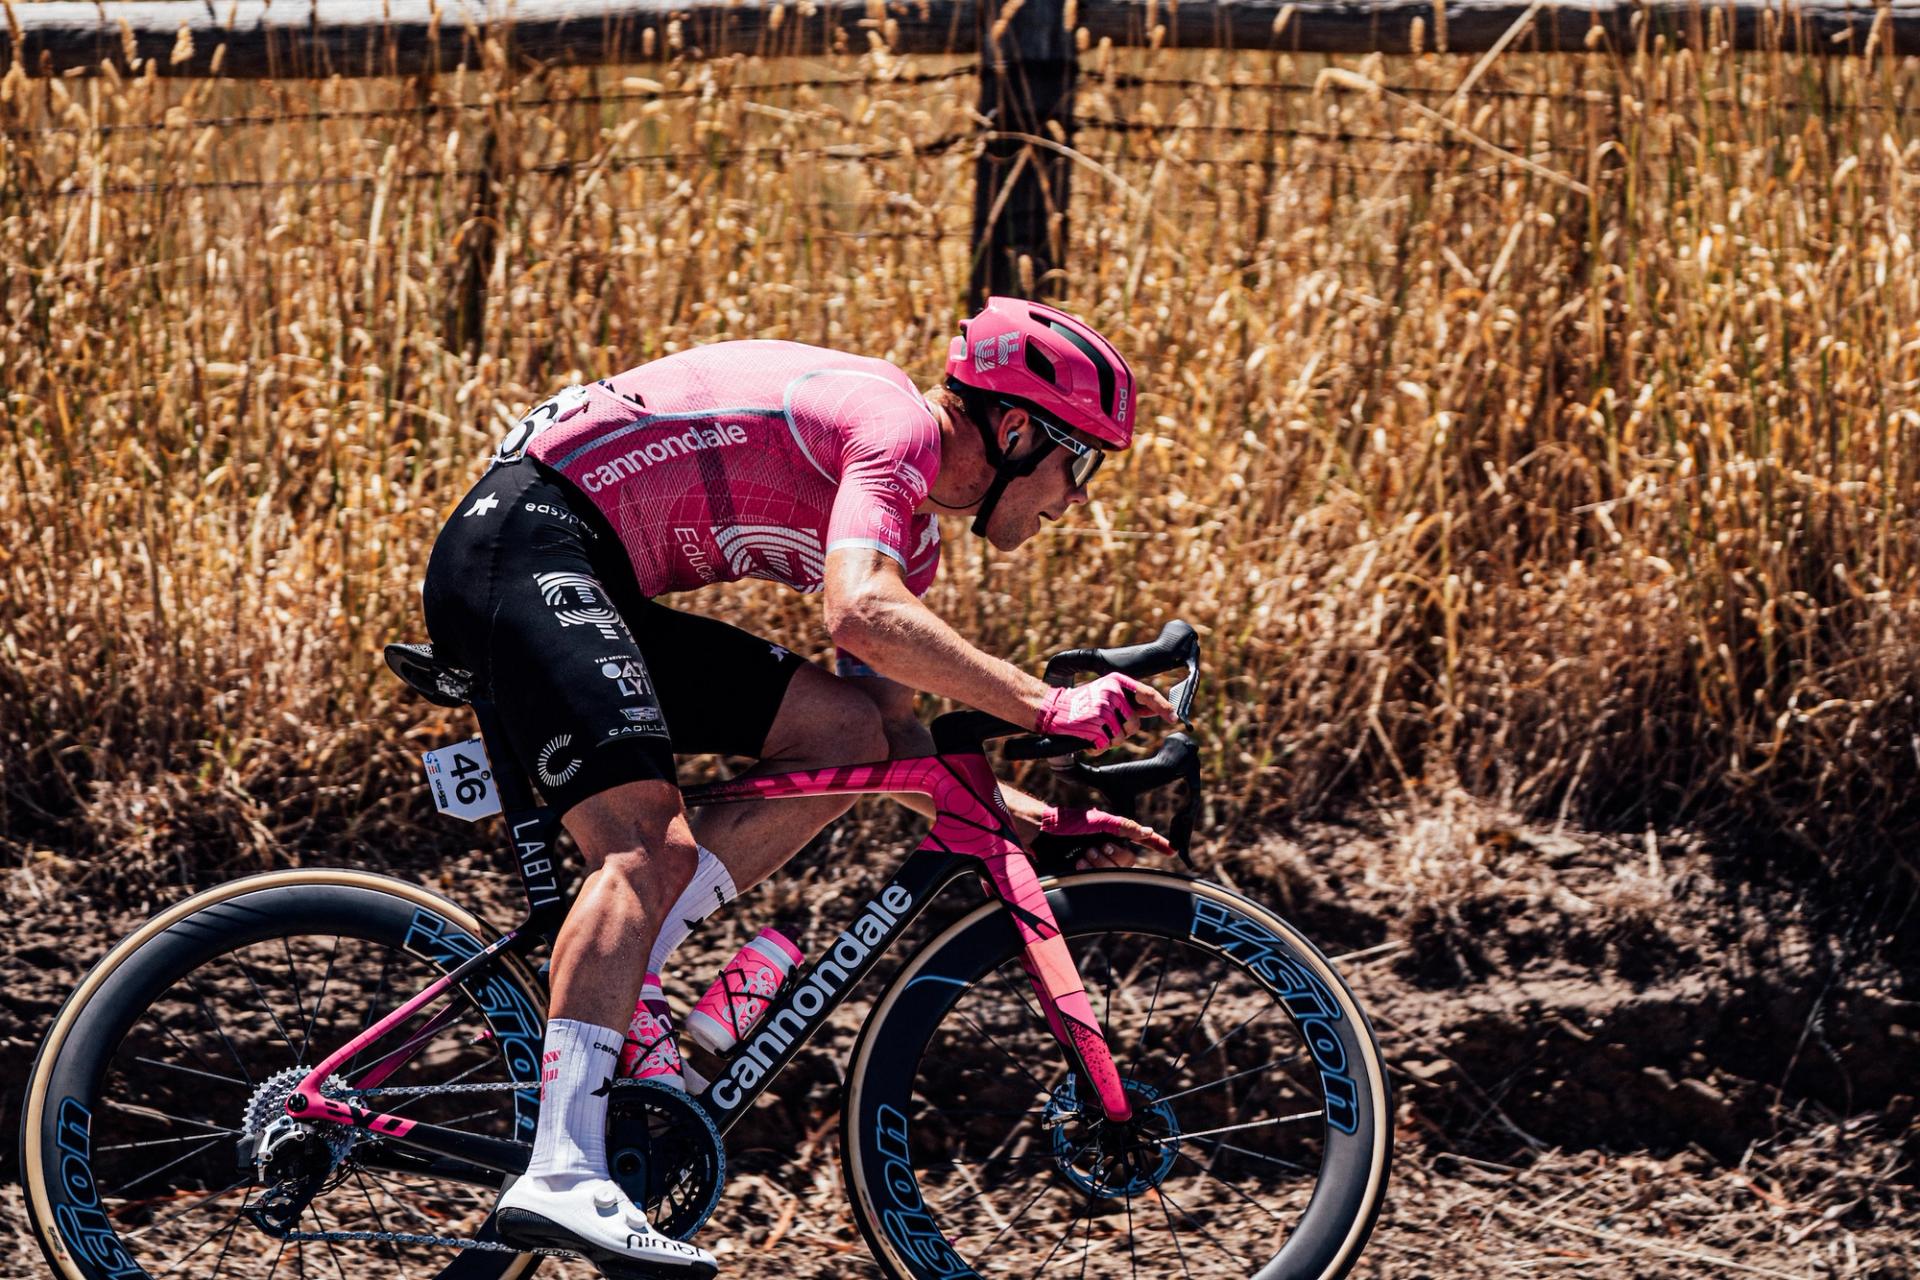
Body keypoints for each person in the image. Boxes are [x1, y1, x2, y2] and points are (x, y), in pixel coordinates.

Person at [419, 297, 1177, 1277]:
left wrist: (1022, 818)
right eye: (1080, 464)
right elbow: (861, 611)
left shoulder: (916, 532)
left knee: (851, 732)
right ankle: (561, 1172)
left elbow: (895, 732)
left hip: (583, 571)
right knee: (646, 845)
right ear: (1019, 429)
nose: (1076, 498)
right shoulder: (890, 419)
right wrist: (1048, 703)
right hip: (523, 543)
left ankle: (629, 966)